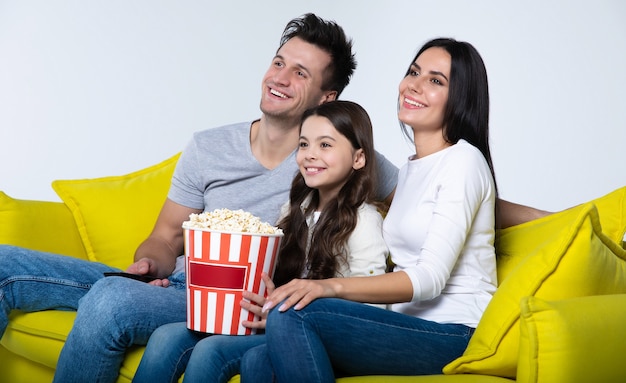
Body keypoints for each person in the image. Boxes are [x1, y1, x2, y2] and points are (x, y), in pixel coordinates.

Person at [0, 14, 399, 383]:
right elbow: (167, 237)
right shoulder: (208, 147)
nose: (280, 78)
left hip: (232, 301)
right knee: (5, 263)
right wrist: (148, 264)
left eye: (300, 73)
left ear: (326, 98)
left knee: (111, 302)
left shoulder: (333, 155)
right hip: (173, 284)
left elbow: (417, 205)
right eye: (278, 63)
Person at [241, 37, 501, 382]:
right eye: (413, 72)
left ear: (460, 98)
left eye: (435, 80)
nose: (415, 85)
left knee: (293, 315)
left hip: (452, 333)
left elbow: (430, 278)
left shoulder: (464, 161)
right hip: (402, 325)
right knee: (258, 361)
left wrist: (329, 287)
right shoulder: (409, 171)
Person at [133, 100, 389, 383]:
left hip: (316, 334)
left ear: (358, 158)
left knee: (211, 351)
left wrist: (286, 319)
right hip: (274, 320)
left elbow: (371, 311)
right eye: (304, 145)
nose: (310, 155)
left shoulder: (363, 220)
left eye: (325, 145)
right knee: (165, 337)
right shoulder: (294, 210)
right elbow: (280, 280)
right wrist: (267, 299)